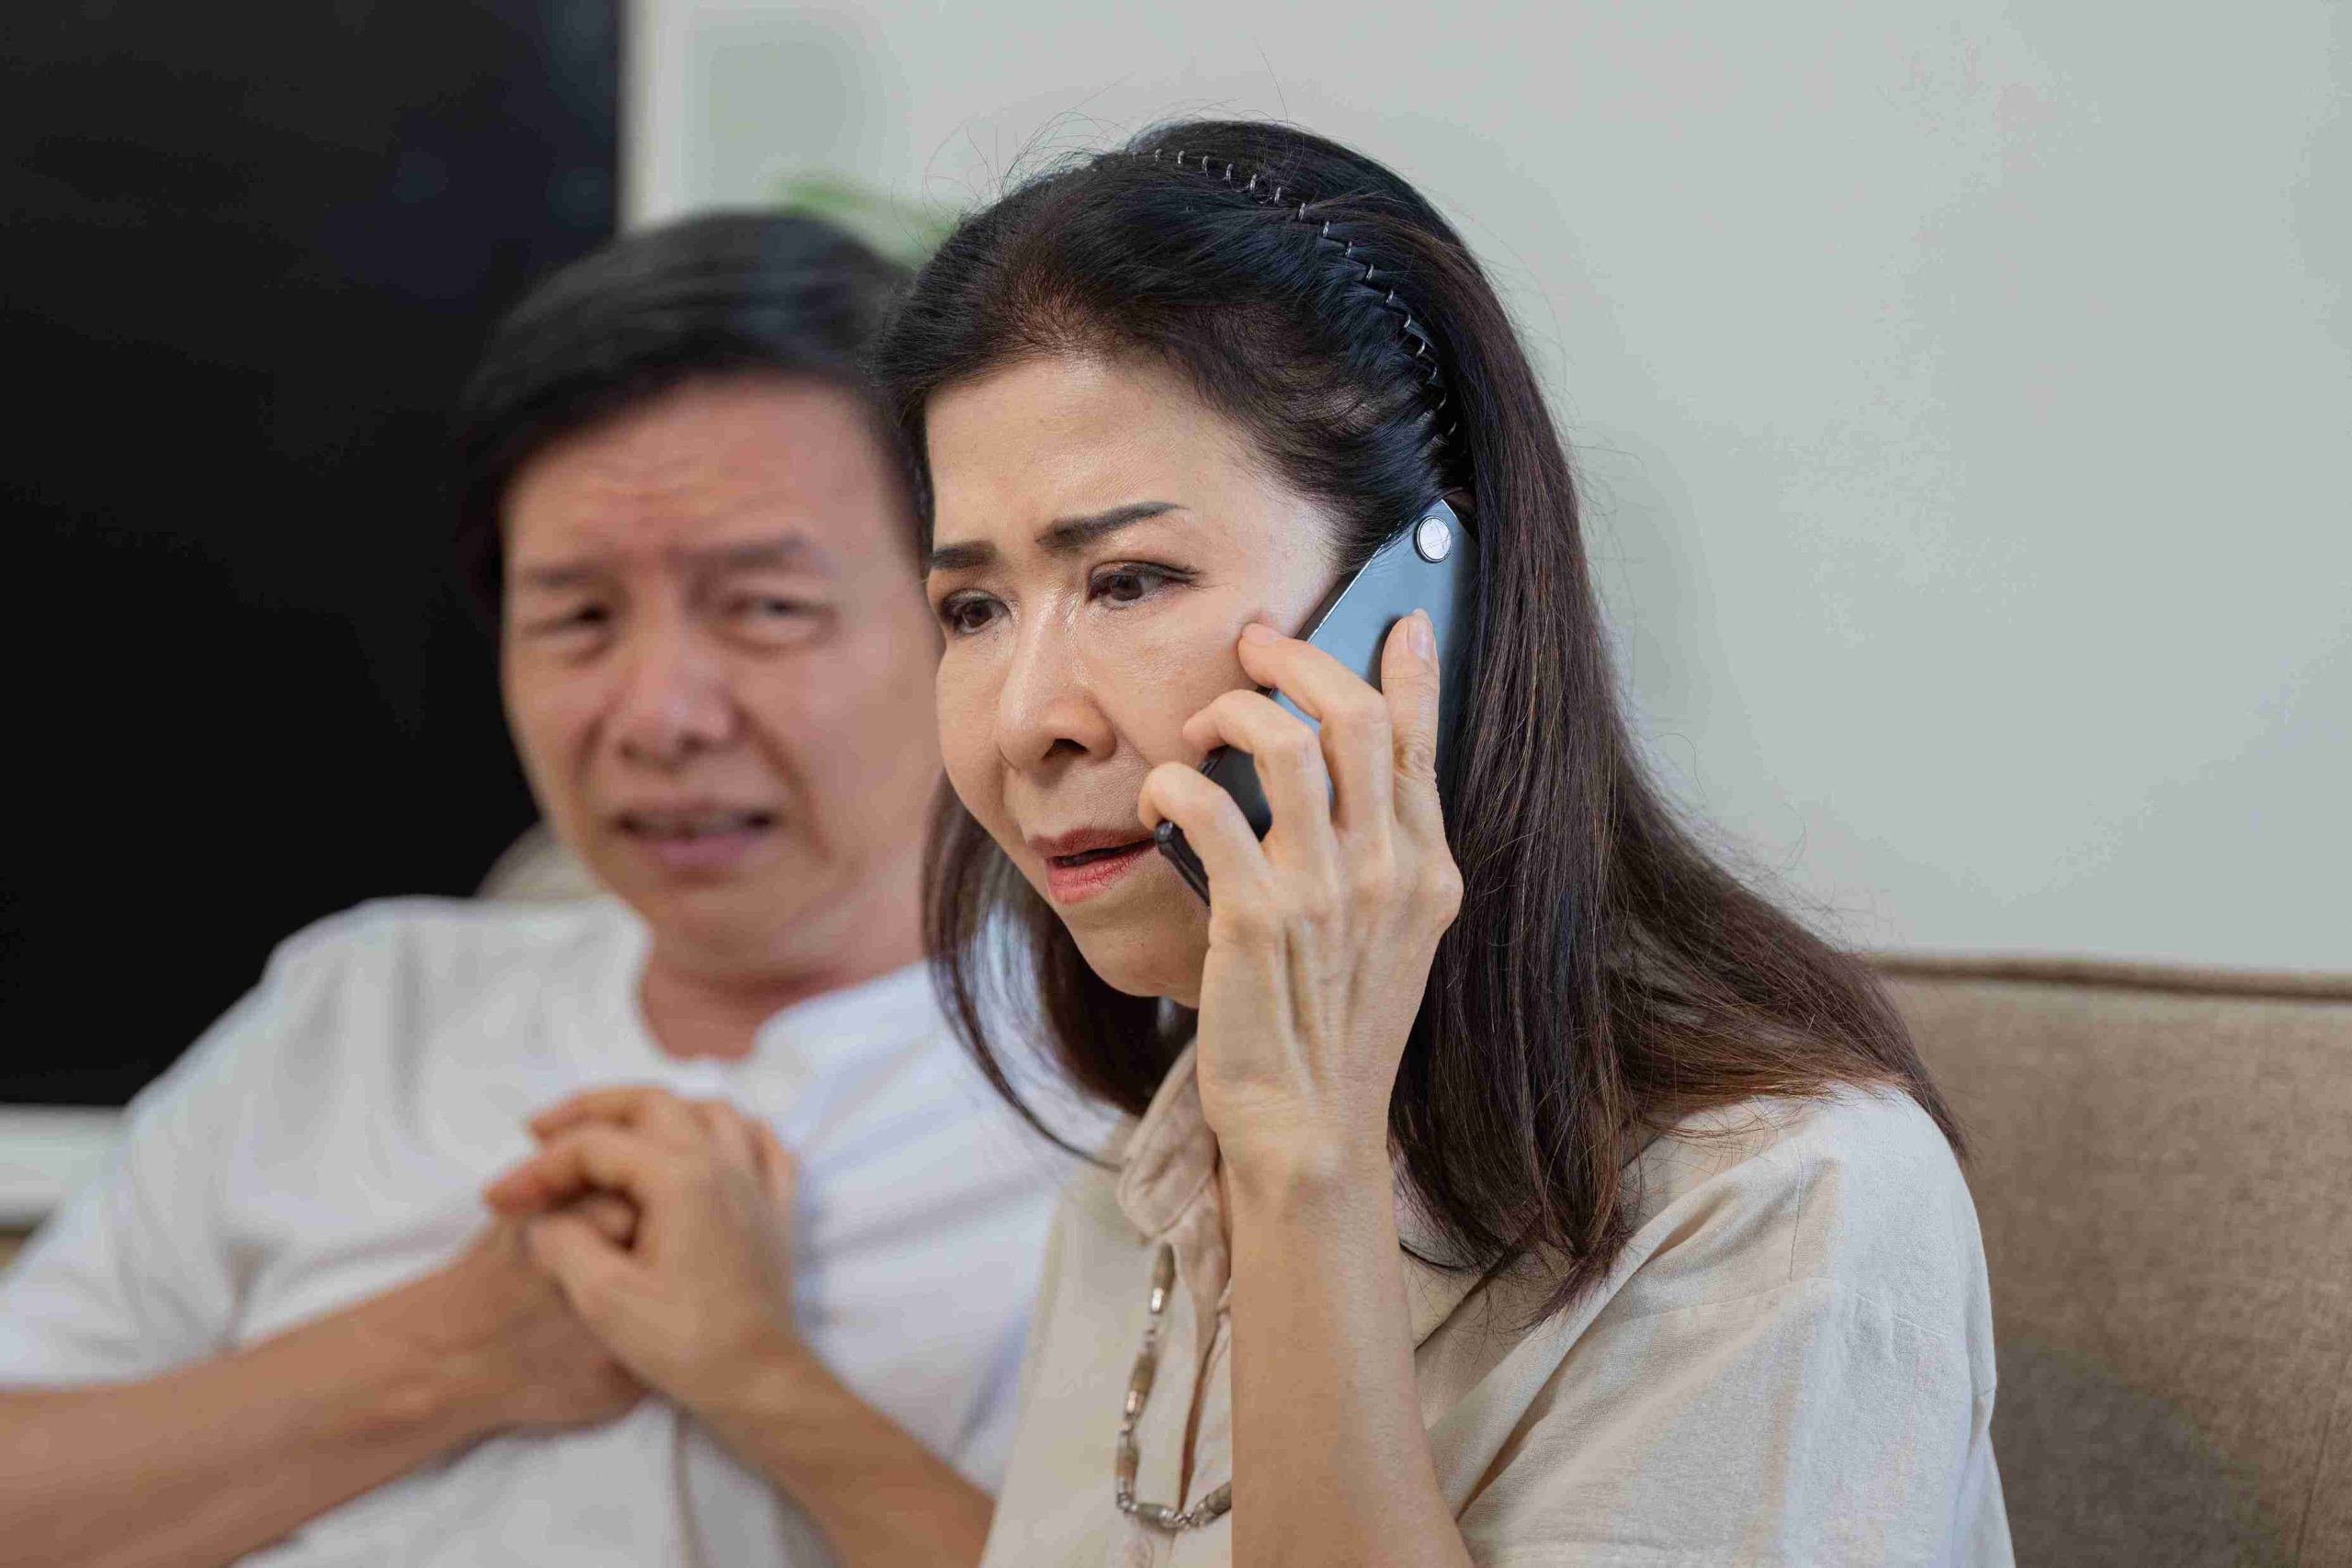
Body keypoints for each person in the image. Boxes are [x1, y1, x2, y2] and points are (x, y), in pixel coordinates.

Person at [490, 120, 2014, 1566]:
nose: (1026, 720)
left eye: (1131, 581)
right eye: (973, 608)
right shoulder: (1155, 1163)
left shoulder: (1786, 1202)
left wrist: (1309, 1174)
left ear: (1427, 602)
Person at [0, 213, 1064, 1567]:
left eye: (764, 607)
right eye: (577, 617)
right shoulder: (366, 1004)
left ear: (963, 618)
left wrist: (755, 1377)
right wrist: (456, 1350)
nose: (657, 715)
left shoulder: (1116, 1103)